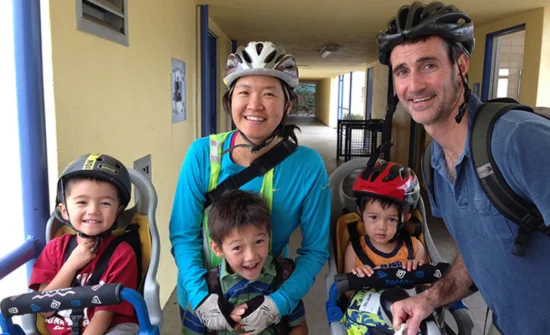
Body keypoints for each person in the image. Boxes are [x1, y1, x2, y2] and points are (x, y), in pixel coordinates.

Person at [376, 2, 550, 334]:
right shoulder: (432, 163)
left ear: (461, 65)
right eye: (402, 71)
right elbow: (476, 253)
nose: (414, 86)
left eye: (428, 65)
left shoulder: (518, 140)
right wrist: (429, 299)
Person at [169, 41, 330, 334]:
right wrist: (201, 296)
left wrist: (279, 302)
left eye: (269, 94)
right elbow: (184, 235)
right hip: (201, 295)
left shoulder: (307, 166)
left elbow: (316, 250)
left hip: (267, 294)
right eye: (244, 92)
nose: (255, 104)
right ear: (230, 100)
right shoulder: (202, 154)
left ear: (288, 104)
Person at [29, 153, 139, 335]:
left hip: (110, 328)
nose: (93, 210)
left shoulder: (122, 255)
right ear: (64, 211)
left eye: (104, 203)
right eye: (82, 202)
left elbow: (104, 316)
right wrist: (71, 265)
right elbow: (45, 309)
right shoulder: (55, 249)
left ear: (118, 212)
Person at [181, 190, 308, 334]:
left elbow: (300, 327)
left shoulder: (284, 279)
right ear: (217, 249)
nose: (251, 256)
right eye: (237, 248)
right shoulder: (206, 290)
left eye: (259, 241)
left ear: (269, 236)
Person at [342, 161, 428, 334]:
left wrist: (416, 273)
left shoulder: (414, 248)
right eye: (373, 217)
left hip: (407, 314)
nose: (381, 227)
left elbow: (426, 290)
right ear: (361, 213)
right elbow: (348, 294)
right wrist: (359, 278)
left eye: (391, 219)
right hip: (370, 318)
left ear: (404, 218)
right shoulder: (356, 248)